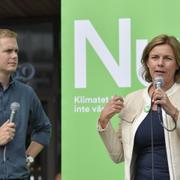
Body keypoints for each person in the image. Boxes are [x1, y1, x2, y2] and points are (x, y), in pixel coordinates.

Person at [98, 34, 180, 180]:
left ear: (177, 64)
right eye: (154, 57)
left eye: (168, 58)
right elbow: (119, 155)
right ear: (147, 62)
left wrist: (173, 112)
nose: (160, 63)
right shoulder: (131, 100)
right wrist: (103, 121)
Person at [0, 28, 51, 179]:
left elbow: (44, 129)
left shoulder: (26, 93)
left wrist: (28, 158)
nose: (14, 56)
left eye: (16, 51)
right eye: (8, 51)